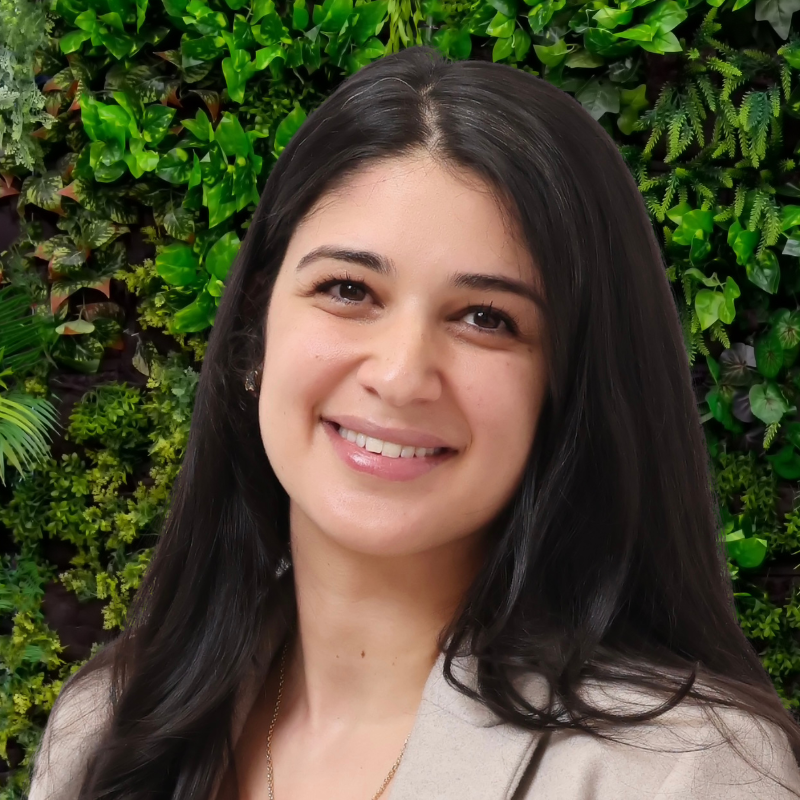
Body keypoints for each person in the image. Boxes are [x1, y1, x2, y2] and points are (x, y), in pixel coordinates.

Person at [28, 44, 800, 800]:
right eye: (349, 290)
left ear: (569, 388)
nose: (399, 376)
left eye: (486, 318)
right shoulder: (104, 731)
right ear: (256, 332)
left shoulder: (683, 774)